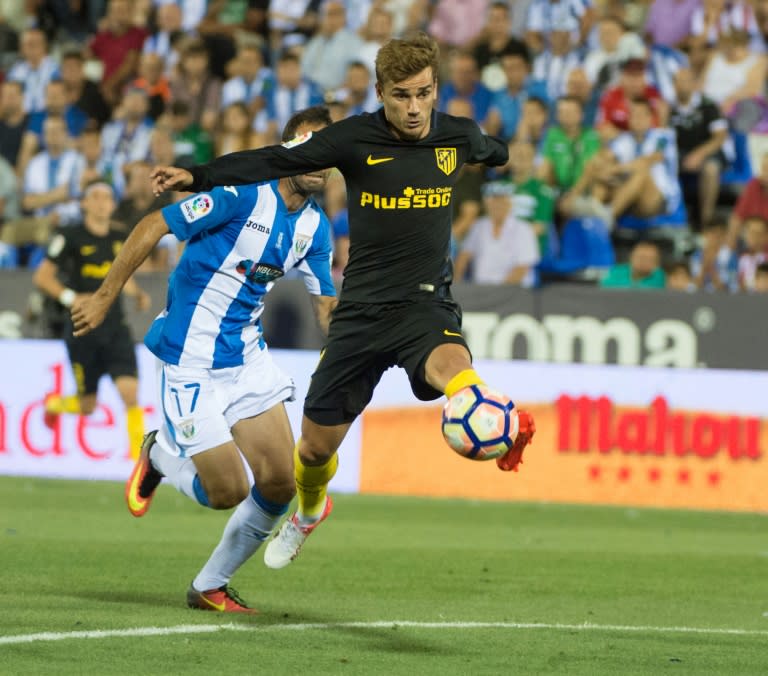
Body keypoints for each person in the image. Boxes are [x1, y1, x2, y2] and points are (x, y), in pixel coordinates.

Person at [147, 33, 536, 571]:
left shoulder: (458, 137)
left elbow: (499, 151)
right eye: (402, 95)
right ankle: (307, 514)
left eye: (424, 93)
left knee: (454, 364)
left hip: (423, 305)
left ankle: (486, 408)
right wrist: (198, 177)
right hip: (359, 314)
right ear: (380, 92)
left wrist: (502, 152)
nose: (415, 107)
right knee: (311, 452)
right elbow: (270, 159)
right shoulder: (353, 139)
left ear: (436, 89)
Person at [71, 106, 338, 613]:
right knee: (226, 491)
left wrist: (353, 347)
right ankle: (158, 456)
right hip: (189, 359)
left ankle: (209, 586)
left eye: (330, 153)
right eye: (311, 148)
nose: (321, 162)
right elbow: (155, 224)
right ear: (287, 150)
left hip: (247, 360)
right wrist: (106, 296)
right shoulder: (242, 194)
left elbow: (327, 307)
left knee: (280, 482)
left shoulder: (315, 229)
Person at [32, 182, 150, 455]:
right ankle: (54, 405)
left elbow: (121, 277)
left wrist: (137, 294)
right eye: (95, 196)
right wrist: (72, 298)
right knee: (88, 406)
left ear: (113, 205)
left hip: (115, 326)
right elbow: (42, 277)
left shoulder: (120, 238)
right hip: (82, 327)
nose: (101, 202)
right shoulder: (70, 237)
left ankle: (140, 466)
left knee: (130, 394)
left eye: (107, 197)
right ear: (84, 203)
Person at [453, 181, 540, 285]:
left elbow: (522, 269)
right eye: (493, 201)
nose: (497, 205)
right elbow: (463, 257)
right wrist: (456, 284)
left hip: (515, 291)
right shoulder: (479, 226)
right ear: (486, 204)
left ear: (510, 203)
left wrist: (497, 294)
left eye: (502, 200)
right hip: (480, 290)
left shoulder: (524, 229)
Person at [600, 239, 666, 289]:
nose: (643, 262)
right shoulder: (618, 270)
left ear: (656, 263)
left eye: (648, 259)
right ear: (631, 257)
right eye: (640, 257)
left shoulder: (660, 277)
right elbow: (605, 286)